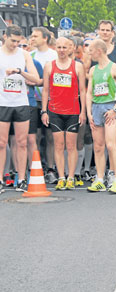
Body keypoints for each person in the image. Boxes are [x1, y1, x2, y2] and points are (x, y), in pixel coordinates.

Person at [40, 37, 86, 190]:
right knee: (58, 146)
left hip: (73, 111)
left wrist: (83, 112)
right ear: (55, 48)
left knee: (71, 146)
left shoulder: (78, 66)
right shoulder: (49, 66)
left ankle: (71, 177)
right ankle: (61, 177)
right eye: (58, 47)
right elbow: (45, 90)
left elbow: (82, 91)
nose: (61, 50)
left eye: (64, 47)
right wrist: (44, 111)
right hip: (54, 111)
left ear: (70, 49)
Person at [86, 39, 116, 193]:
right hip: (97, 107)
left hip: (111, 106)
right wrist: (88, 113)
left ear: (99, 50)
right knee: (98, 146)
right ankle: (99, 179)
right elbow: (89, 92)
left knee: (111, 144)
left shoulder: (115, 68)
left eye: (91, 50)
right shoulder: (92, 70)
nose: (89, 53)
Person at [0, 25, 40, 192]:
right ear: (5, 37)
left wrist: (20, 72)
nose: (15, 44)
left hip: (21, 102)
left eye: (18, 41)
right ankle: (1, 179)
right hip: (2, 102)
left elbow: (36, 79)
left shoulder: (24, 55)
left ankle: (22, 178)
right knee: (2, 143)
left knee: (22, 142)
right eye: (12, 41)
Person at [30, 27, 58, 184]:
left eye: (35, 36)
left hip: (51, 101)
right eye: (31, 36)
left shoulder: (54, 55)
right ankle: (35, 168)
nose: (32, 38)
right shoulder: (30, 55)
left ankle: (51, 169)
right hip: (34, 101)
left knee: (50, 137)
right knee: (35, 136)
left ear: (45, 38)